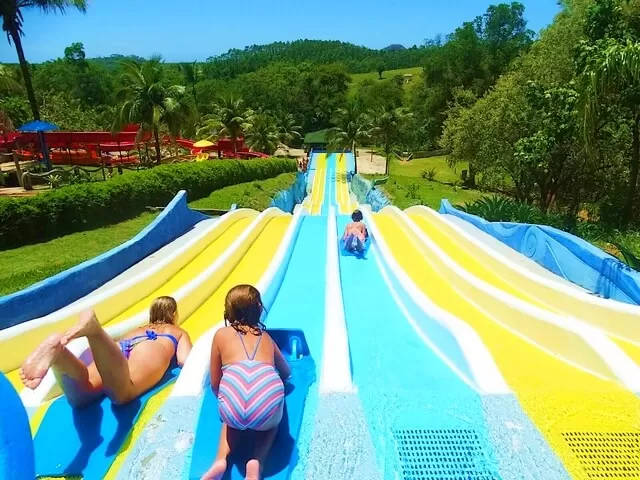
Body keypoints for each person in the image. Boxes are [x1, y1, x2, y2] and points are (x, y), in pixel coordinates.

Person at [20, 296, 192, 407]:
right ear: (174, 313)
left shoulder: (138, 329)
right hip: (152, 346)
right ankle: (95, 331)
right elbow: (185, 360)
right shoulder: (176, 331)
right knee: (123, 393)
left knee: (82, 395)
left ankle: (60, 355)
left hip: (117, 347)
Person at [202, 285, 291, 480]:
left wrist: (228, 401)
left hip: (232, 407)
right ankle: (257, 462)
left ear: (228, 311)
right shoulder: (265, 337)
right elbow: (287, 373)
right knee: (271, 425)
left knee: (230, 420)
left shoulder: (220, 335)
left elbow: (215, 383)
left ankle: (220, 461)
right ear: (259, 309)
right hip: (265, 407)